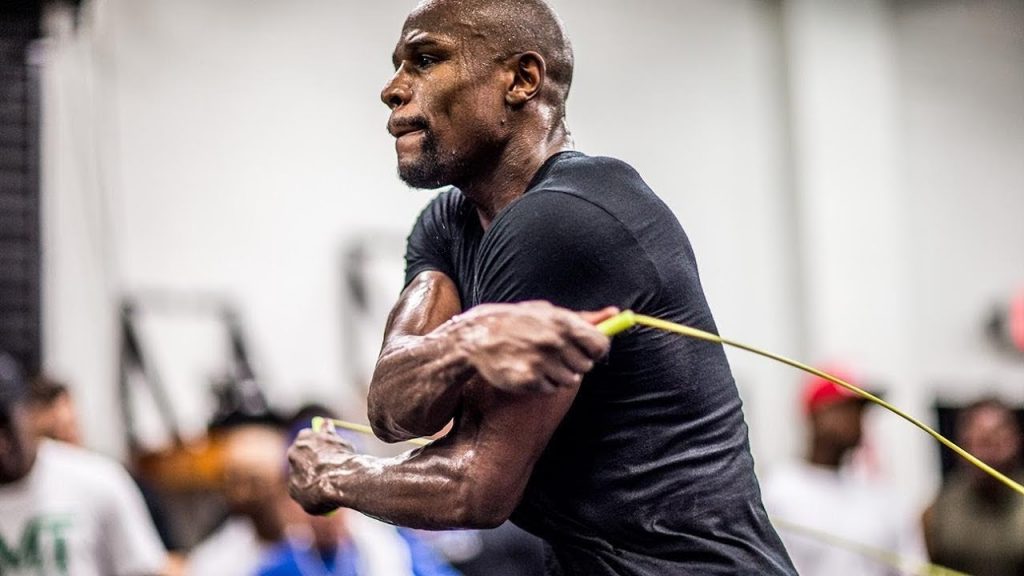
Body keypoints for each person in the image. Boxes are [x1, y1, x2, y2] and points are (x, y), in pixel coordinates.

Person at [287, 1, 796, 574]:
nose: (392, 89)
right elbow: (396, 410)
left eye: (425, 60)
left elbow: (473, 488)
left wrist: (335, 474)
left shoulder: (566, 219)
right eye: (398, 64)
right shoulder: (447, 223)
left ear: (522, 80)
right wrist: (462, 344)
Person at [0, 352, 169, 576]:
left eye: (5, 427)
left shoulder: (98, 480)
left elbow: (146, 569)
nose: (2, 445)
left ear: (26, 413)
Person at [762, 368, 925, 575]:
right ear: (817, 414)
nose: (860, 419)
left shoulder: (879, 494)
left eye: (862, 411)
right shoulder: (777, 491)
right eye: (850, 409)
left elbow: (912, 568)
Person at [922, 397, 1024, 576]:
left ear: (1016, 439)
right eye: (981, 439)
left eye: (998, 437)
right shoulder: (939, 509)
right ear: (962, 442)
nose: (990, 449)